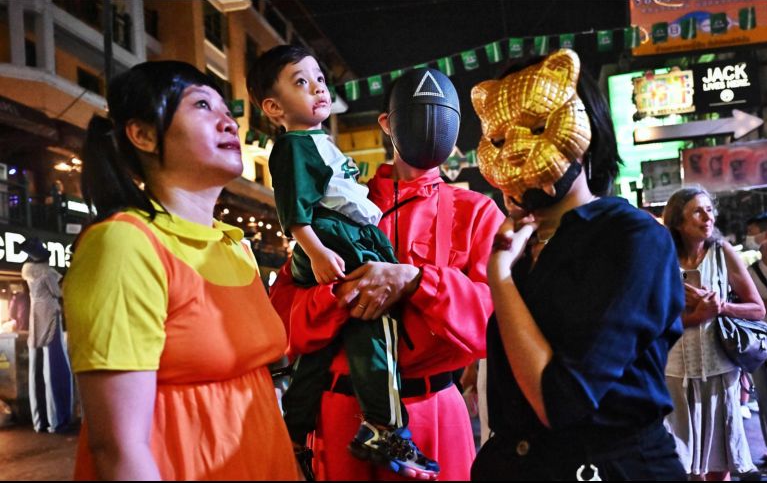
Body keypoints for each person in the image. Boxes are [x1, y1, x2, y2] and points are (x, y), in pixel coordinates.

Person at [62, 61, 298, 480]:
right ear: (144, 135)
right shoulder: (125, 243)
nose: (229, 123)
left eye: (228, 111)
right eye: (203, 106)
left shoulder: (234, 245)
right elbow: (118, 447)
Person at [268, 66, 505, 480]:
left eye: (443, 115)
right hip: (339, 411)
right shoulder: (339, 205)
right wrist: (339, 296)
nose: (430, 126)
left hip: (433, 410)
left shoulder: (476, 212)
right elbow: (282, 315)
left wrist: (416, 281)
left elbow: (498, 320)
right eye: (417, 113)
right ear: (386, 123)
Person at [470, 49, 686, 481]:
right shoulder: (519, 245)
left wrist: (500, 280)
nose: (514, 149)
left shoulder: (632, 237)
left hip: (609, 468)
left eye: (536, 126)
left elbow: (561, 401)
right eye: (499, 137)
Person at [247, 45, 438, 480]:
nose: (317, 86)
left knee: (321, 343)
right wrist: (315, 251)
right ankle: (383, 426)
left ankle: (293, 430)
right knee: (378, 319)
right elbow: (294, 211)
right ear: (274, 107)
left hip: (340, 234)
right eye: (301, 82)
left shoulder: (313, 141)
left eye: (318, 78)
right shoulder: (295, 146)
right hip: (338, 236)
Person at [662, 187, 764, 480]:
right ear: (678, 221)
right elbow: (652, 319)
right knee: (683, 463)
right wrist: (693, 316)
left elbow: (756, 308)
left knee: (719, 464)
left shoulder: (722, 252)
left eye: (709, 209)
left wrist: (721, 307)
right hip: (677, 373)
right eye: (697, 211)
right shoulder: (664, 258)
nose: (707, 217)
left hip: (720, 371)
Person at [19, 238, 72, 434]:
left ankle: (39, 420)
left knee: (36, 367)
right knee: (54, 366)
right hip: (50, 315)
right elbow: (58, 292)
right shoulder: (47, 272)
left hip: (35, 316)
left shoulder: (27, 270)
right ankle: (57, 418)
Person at [744, 213, 767, 467]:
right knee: (763, 397)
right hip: (758, 343)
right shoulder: (750, 271)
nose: (749, 238)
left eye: (752, 232)